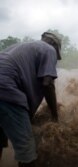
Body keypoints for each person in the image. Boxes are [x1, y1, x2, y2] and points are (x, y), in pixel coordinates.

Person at [0, 32, 61, 167]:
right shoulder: (49, 49)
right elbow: (47, 84)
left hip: (5, 89)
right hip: (5, 90)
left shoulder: (19, 47)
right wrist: (54, 115)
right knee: (27, 149)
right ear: (55, 45)